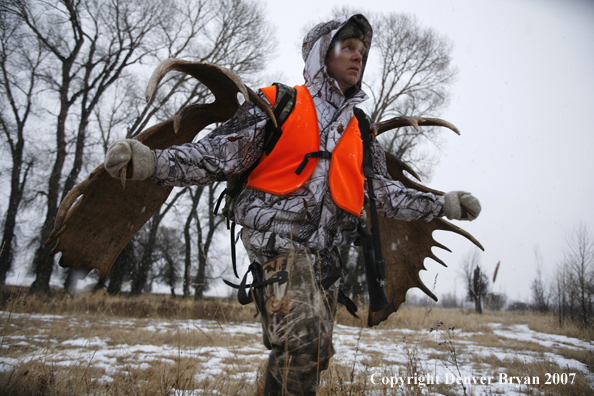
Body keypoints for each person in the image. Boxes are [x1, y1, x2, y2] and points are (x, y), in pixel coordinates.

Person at [104, 14, 481, 396]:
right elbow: (216, 156)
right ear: (322, 53)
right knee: (304, 345)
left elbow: (381, 194)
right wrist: (154, 162)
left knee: (314, 356)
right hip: (277, 250)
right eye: (348, 47)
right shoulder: (277, 104)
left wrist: (441, 203)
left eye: (363, 51)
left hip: (328, 262)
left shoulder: (362, 130)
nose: (358, 57)